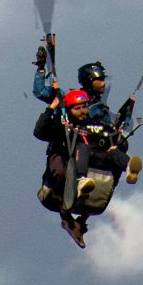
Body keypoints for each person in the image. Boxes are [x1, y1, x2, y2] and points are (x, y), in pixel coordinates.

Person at [29, 35, 131, 246]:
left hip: (89, 149)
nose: (102, 83)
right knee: (60, 172)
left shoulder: (101, 109)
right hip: (66, 147)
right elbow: (40, 92)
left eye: (103, 79)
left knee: (111, 167)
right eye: (98, 79)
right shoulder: (70, 98)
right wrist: (42, 69)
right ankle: (67, 216)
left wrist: (121, 128)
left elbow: (111, 127)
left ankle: (80, 221)